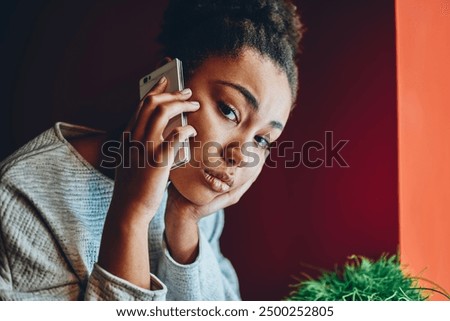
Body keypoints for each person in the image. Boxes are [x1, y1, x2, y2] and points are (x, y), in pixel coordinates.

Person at [0, 0, 302, 300]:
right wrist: (131, 214)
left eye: (262, 140)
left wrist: (184, 224)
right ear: (165, 84)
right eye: (228, 110)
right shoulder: (24, 198)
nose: (240, 155)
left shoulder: (197, 197)